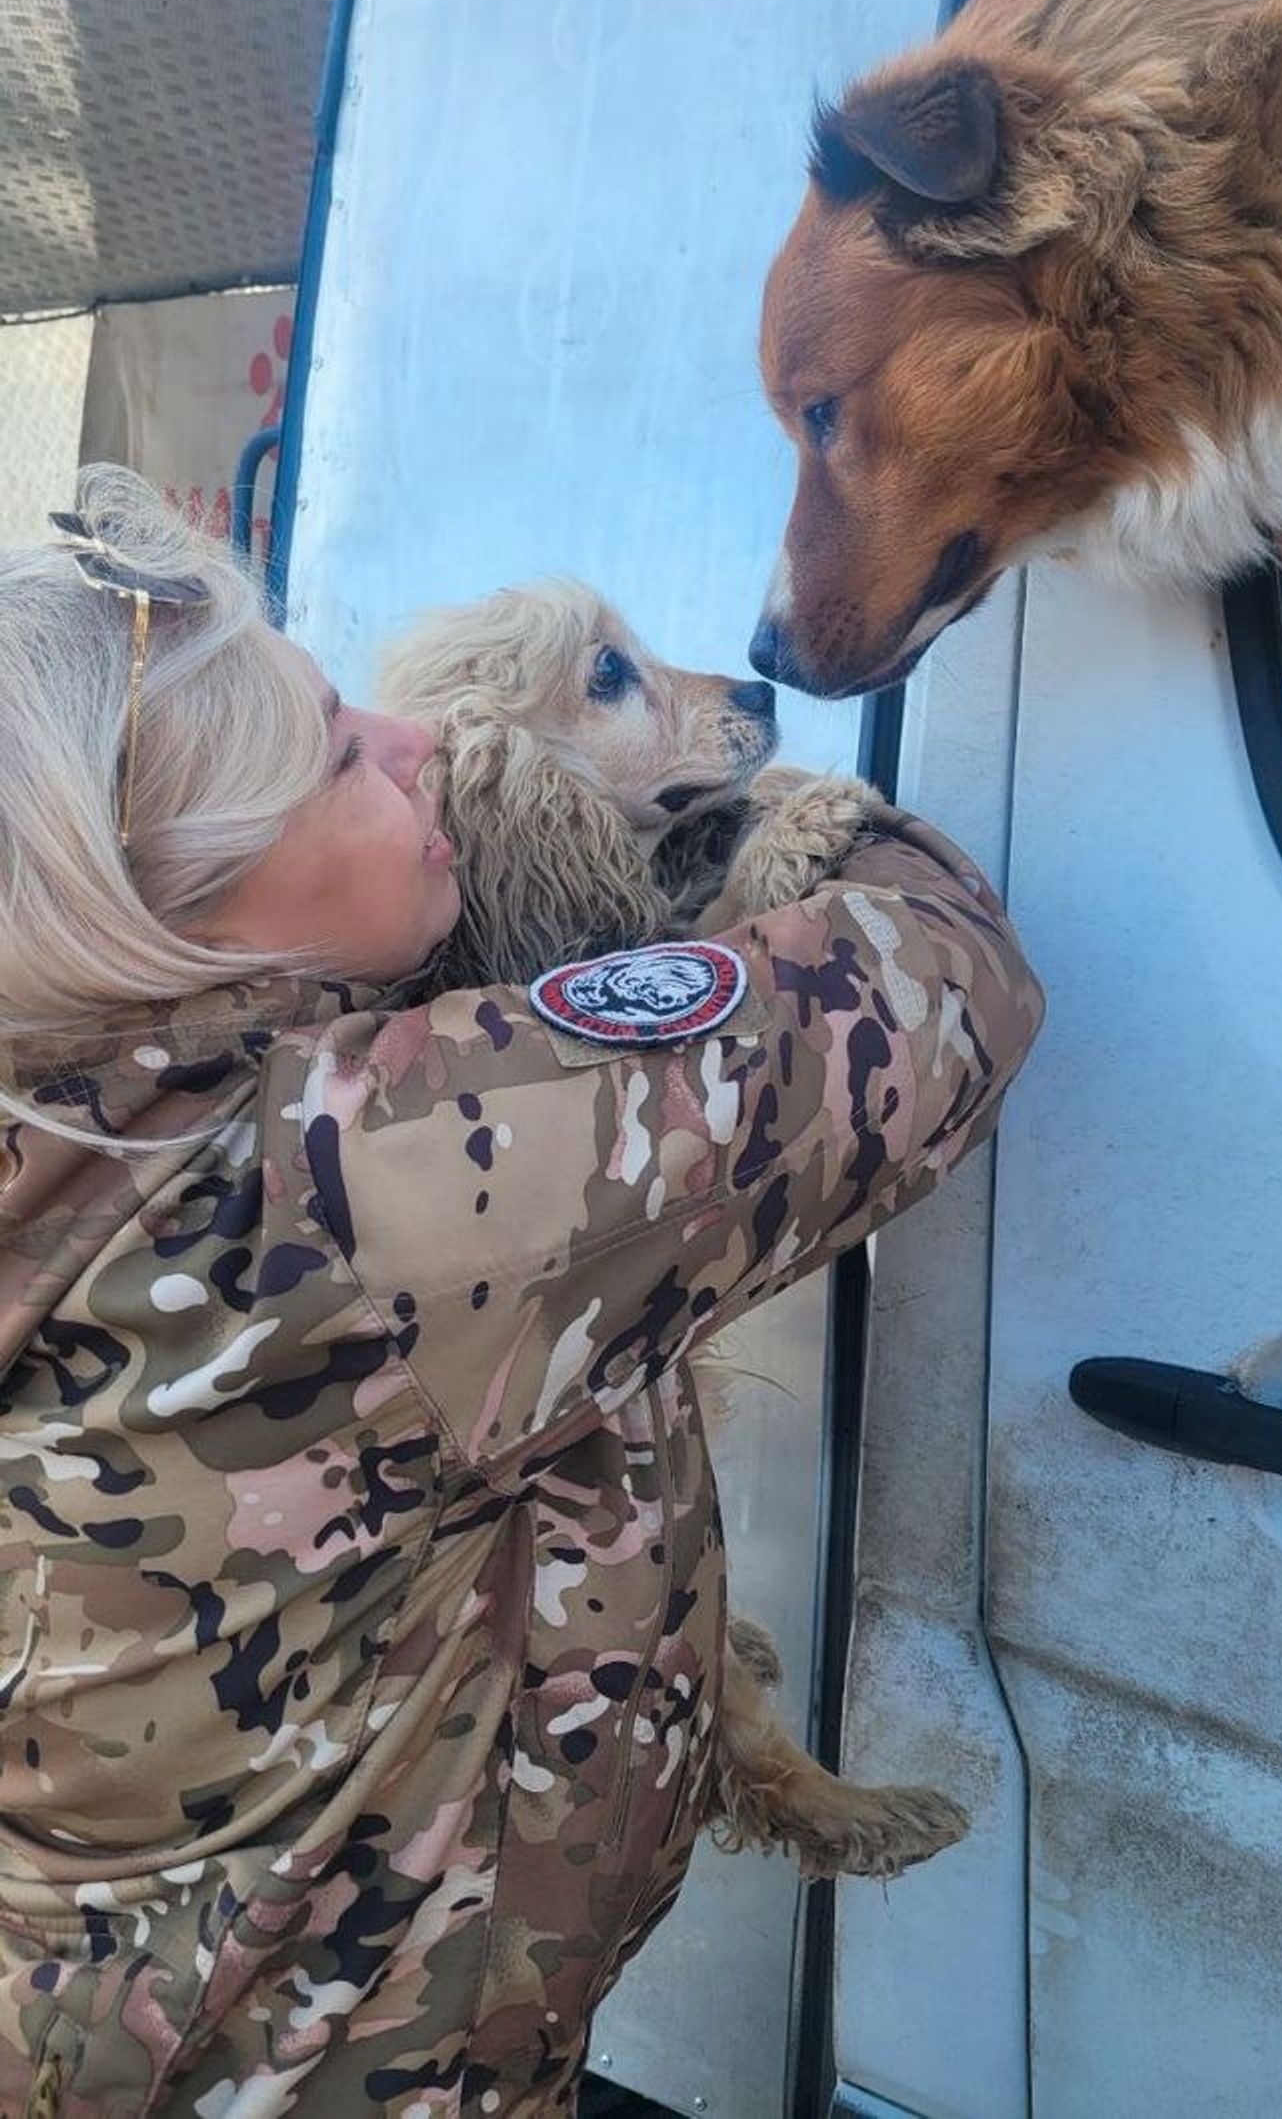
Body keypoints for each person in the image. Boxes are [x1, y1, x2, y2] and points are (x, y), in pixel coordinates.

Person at [0, 469, 1043, 2118]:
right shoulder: (349, 1182)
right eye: (338, 753)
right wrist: (805, 823)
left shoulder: (63, 1143)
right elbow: (945, 985)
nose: (413, 742)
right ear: (162, 910)